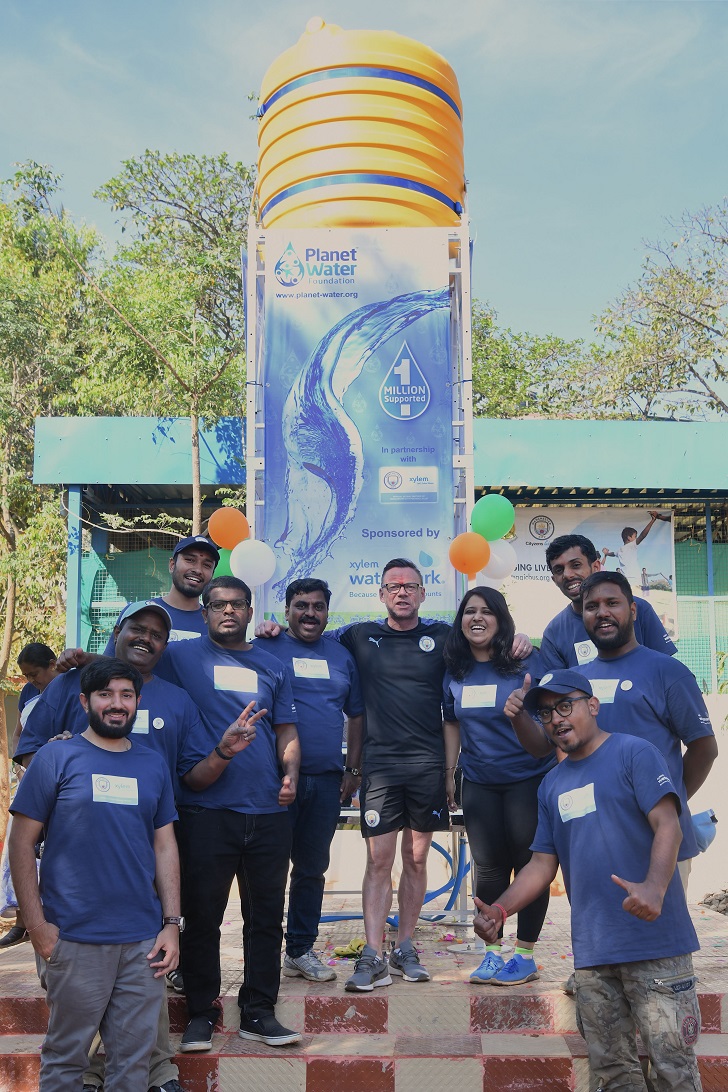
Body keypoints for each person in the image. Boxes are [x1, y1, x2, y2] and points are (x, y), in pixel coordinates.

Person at [474, 669, 703, 1092]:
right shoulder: (551, 785)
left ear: (592, 706)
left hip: (657, 948)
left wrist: (653, 887)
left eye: (566, 705)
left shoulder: (635, 753)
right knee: (613, 1075)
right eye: (546, 713)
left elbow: (667, 823)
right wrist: (501, 908)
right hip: (594, 956)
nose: (557, 718)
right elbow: (541, 866)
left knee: (675, 1073)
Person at [8, 659, 181, 1092]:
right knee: (67, 1061)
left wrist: (172, 925)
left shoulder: (152, 763)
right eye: (106, 694)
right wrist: (38, 928)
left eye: (126, 694)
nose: (116, 704)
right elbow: (20, 843)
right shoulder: (55, 757)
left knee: (132, 1064)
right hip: (74, 938)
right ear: (85, 701)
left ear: (138, 702)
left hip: (142, 941)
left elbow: (165, 845)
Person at [153, 575, 302, 1051]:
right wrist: (74, 662)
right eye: (218, 605)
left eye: (237, 605)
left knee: (265, 917)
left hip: (269, 813)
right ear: (205, 612)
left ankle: (259, 1011)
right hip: (205, 809)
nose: (228, 612)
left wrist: (292, 772)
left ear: (249, 609)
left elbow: (287, 731)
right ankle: (202, 1012)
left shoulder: (273, 664)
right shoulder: (180, 657)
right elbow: (129, 659)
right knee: (202, 917)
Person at [442, 587, 555, 985]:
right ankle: (491, 953)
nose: (477, 618)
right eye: (469, 611)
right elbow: (452, 722)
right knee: (489, 869)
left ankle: (524, 954)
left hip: (528, 780)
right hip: (479, 783)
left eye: (487, 612)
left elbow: (550, 717)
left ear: (501, 619)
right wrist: (450, 772)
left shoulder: (526, 661)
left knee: (529, 867)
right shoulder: (455, 670)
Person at [578, 570, 717, 878]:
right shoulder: (576, 681)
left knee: (663, 927)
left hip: (661, 847)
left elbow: (704, 749)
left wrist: (665, 800)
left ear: (633, 610)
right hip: (596, 847)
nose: (602, 612)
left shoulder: (668, 672)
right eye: (592, 606)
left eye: (612, 602)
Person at [262, 578, 364, 983]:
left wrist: (353, 769)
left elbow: (357, 715)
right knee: (267, 868)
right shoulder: (265, 647)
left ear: (327, 612)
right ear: (286, 611)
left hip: (325, 780)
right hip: (271, 779)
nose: (309, 613)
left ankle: (300, 950)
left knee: (311, 868)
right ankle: (263, 949)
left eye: (318, 607)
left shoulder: (341, 656)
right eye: (301, 605)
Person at [541, 534, 676, 670]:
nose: (567, 575)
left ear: (596, 567)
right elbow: (556, 688)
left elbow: (665, 672)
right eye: (559, 570)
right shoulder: (554, 633)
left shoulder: (639, 608)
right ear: (554, 580)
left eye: (576, 565)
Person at [1, 643, 58, 950]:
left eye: (35, 674)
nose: (31, 681)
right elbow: (20, 733)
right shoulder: (27, 694)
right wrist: (20, 763)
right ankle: (24, 921)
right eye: (25, 676)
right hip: (30, 776)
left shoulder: (67, 689)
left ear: (53, 664)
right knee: (21, 844)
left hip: (59, 779)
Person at [102, 535, 220, 649]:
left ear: (212, 574)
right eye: (190, 560)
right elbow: (111, 663)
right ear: (172, 565)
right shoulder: (136, 612)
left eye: (207, 565)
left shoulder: (215, 623)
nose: (198, 570)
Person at [602, 511, 671, 587]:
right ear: (629, 538)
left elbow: (612, 554)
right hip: (634, 578)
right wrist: (652, 521)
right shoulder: (632, 545)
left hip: (625, 579)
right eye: (635, 536)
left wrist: (606, 553)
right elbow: (643, 535)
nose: (636, 538)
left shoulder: (620, 550)